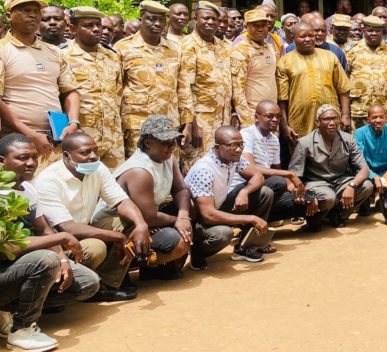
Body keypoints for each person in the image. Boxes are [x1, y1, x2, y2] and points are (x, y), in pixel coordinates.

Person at [0, 133, 99, 352]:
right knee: (45, 259)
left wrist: (62, 260)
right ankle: (22, 328)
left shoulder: (28, 189)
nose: (31, 162)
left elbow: (44, 229)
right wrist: (61, 239)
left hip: (22, 266)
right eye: (22, 157)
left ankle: (11, 310)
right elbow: (9, 246)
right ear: (1, 161)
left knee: (87, 283)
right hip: (6, 267)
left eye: (34, 157)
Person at [103, 116, 223, 279]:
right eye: (166, 142)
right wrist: (177, 221)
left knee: (191, 207)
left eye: (174, 141)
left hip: (146, 217)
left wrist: (183, 216)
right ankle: (127, 265)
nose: (172, 146)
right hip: (120, 223)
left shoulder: (167, 158)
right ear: (148, 143)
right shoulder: (140, 171)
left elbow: (181, 189)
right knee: (176, 240)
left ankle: (155, 267)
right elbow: (149, 218)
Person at [35, 132, 150, 301]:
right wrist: (118, 237)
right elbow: (68, 228)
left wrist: (141, 224)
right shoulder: (48, 180)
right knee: (96, 248)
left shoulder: (97, 167)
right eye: (85, 152)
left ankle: (107, 285)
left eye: (95, 150)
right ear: (66, 155)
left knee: (130, 222)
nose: (93, 156)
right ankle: (69, 289)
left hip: (85, 227)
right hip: (58, 242)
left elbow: (121, 201)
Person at [0, 0, 80, 166]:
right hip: (17, 143)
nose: (33, 15)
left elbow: (70, 90)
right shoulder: (2, 49)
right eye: (25, 10)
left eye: (36, 11)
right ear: (8, 16)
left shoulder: (54, 51)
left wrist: (73, 122)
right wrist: (31, 134)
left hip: (56, 139)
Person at [183, 126, 273, 264]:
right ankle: (197, 252)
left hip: (217, 207)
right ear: (218, 147)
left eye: (241, 144)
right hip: (198, 220)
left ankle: (246, 247)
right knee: (223, 234)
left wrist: (244, 192)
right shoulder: (204, 170)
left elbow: (258, 176)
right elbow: (208, 215)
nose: (239, 149)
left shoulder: (232, 158)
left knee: (264, 193)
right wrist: (251, 218)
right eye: (233, 145)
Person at [117, 0, 187, 156]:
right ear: (141, 18)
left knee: (169, 164)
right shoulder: (123, 48)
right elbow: (116, 88)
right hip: (138, 123)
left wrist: (187, 121)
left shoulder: (174, 49)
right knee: (140, 164)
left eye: (161, 20)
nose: (157, 24)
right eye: (151, 19)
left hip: (168, 122)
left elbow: (183, 88)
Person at [288, 105, 373, 230]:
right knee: (328, 197)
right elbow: (293, 175)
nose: (332, 123)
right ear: (317, 122)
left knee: (367, 186)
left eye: (335, 118)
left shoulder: (348, 139)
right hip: (316, 184)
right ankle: (315, 217)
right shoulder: (304, 143)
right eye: (327, 119)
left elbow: (364, 169)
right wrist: (305, 195)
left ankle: (339, 215)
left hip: (340, 182)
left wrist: (352, 186)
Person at [240, 102, 317, 235]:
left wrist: (297, 190)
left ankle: (260, 223)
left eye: (278, 116)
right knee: (277, 182)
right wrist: (289, 174)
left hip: (264, 189)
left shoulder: (274, 139)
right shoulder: (246, 135)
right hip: (244, 189)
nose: (275, 120)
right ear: (256, 117)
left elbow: (277, 169)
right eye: (270, 116)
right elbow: (250, 168)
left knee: (306, 200)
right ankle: (251, 233)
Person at [62, 6, 124, 169]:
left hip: (112, 138)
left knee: (113, 182)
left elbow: (118, 94)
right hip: (80, 138)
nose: (96, 29)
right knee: (80, 181)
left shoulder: (112, 56)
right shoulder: (62, 55)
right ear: (73, 29)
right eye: (88, 25)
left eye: (98, 25)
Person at [179, 1, 234, 172]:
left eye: (214, 19)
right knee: (198, 166)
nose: (210, 22)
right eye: (205, 18)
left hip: (223, 119)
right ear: (195, 19)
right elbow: (185, 88)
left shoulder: (224, 46)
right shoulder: (187, 46)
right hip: (201, 122)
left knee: (220, 166)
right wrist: (192, 124)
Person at [277, 22, 351, 140]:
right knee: (302, 150)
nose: (308, 39)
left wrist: (345, 115)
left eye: (311, 35)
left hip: (330, 120)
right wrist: (284, 125)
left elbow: (343, 89)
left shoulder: (330, 57)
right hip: (299, 121)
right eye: (302, 36)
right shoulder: (284, 62)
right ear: (293, 38)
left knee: (333, 149)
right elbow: (282, 99)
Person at [230, 9, 279, 128]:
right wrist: (247, 123)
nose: (260, 29)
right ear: (246, 27)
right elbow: (237, 91)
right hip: (253, 116)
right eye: (256, 26)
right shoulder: (241, 51)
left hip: (272, 114)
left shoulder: (270, 47)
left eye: (263, 25)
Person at [344, 15, 387, 128]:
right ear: (363, 30)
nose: (374, 33)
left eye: (377, 31)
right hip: (359, 109)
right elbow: (344, 84)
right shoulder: (351, 51)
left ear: (382, 31)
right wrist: (345, 114)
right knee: (358, 139)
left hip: (385, 110)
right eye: (370, 30)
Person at [354, 104, 387, 200]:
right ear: (368, 119)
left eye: (381, 117)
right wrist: (373, 176)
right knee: (361, 178)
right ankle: (371, 196)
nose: (378, 120)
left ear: (386, 118)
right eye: (374, 117)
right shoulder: (360, 133)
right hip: (369, 172)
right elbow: (359, 160)